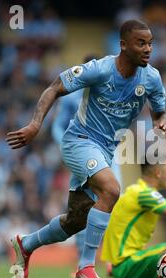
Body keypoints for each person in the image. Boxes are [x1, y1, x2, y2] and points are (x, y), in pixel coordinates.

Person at [6, 19, 166, 278]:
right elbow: (55, 87)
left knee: (76, 221)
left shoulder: (152, 77)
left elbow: (159, 110)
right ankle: (86, 267)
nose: (148, 49)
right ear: (123, 45)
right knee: (112, 190)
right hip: (79, 141)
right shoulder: (100, 69)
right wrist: (36, 124)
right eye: (141, 43)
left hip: (106, 150)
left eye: (150, 43)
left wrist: (160, 123)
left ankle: (26, 244)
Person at [51, 54, 122, 262]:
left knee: (113, 197)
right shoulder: (72, 96)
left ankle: (105, 255)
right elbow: (58, 125)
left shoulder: (110, 93)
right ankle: (84, 255)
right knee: (88, 203)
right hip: (83, 151)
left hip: (108, 153)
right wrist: (64, 146)